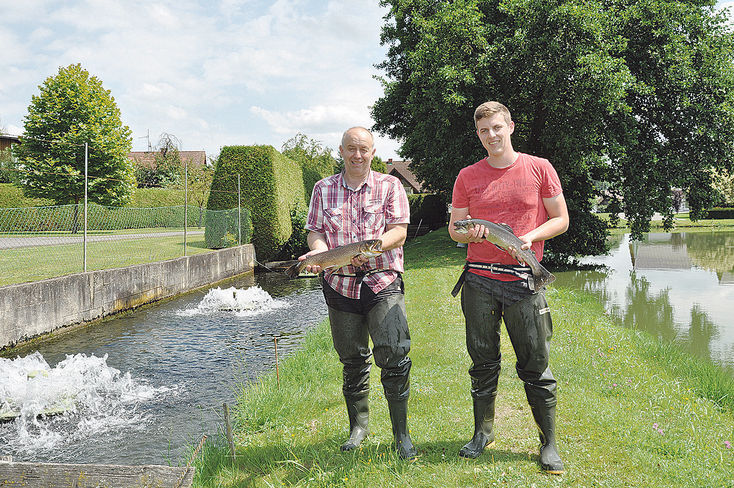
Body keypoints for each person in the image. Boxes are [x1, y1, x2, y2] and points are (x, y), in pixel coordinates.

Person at [448, 101, 569, 474]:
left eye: (497, 127)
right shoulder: (467, 176)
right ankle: (482, 434)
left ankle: (548, 443)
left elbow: (561, 219)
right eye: (484, 130)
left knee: (536, 365)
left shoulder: (539, 168)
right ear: (478, 135)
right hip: (479, 280)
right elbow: (455, 231)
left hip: (525, 280)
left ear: (511, 127)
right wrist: (470, 231)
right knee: (482, 363)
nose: (492, 136)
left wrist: (528, 238)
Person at [297, 126, 417, 460]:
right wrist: (319, 257)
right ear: (341, 150)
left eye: (363, 149)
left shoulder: (390, 185)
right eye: (351, 148)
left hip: (382, 282)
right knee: (352, 361)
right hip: (340, 285)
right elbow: (316, 233)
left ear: (372, 152)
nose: (357, 155)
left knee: (394, 355)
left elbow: (399, 231)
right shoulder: (323, 189)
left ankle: (401, 434)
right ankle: (358, 428)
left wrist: (374, 249)